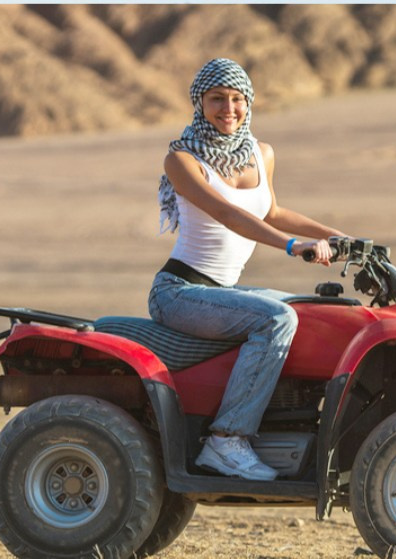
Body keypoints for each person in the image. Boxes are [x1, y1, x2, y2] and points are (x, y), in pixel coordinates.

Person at [149, 58, 344, 481]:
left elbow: (271, 211)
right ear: (200, 103)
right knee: (276, 319)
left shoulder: (261, 153)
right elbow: (227, 213)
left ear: (249, 103)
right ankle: (226, 439)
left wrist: (340, 237)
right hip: (179, 292)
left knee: (309, 311)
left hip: (223, 292)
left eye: (238, 99)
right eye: (217, 98)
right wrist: (293, 246)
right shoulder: (181, 159)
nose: (229, 108)